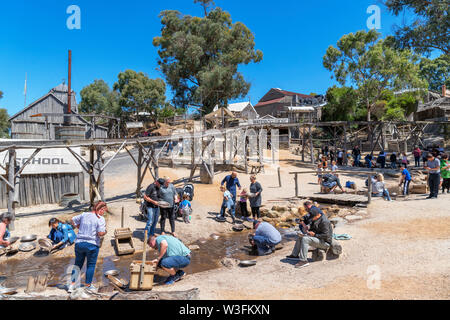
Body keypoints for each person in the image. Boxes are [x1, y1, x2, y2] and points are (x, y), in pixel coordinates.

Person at [68, 201, 107, 293]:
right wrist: (105, 231)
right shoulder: (100, 218)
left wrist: (79, 226)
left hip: (79, 243)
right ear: (100, 209)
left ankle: (72, 285)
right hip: (92, 244)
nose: (104, 213)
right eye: (103, 210)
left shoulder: (84, 214)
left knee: (78, 264)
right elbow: (100, 233)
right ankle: (88, 285)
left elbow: (72, 220)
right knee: (90, 265)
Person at [287, 201, 333, 268]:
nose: (311, 219)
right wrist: (307, 229)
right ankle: (295, 255)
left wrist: (314, 235)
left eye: (312, 218)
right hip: (319, 239)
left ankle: (303, 261)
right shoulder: (315, 219)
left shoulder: (324, 222)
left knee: (305, 239)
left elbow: (326, 235)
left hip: (325, 243)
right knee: (300, 237)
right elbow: (312, 226)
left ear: (317, 215)